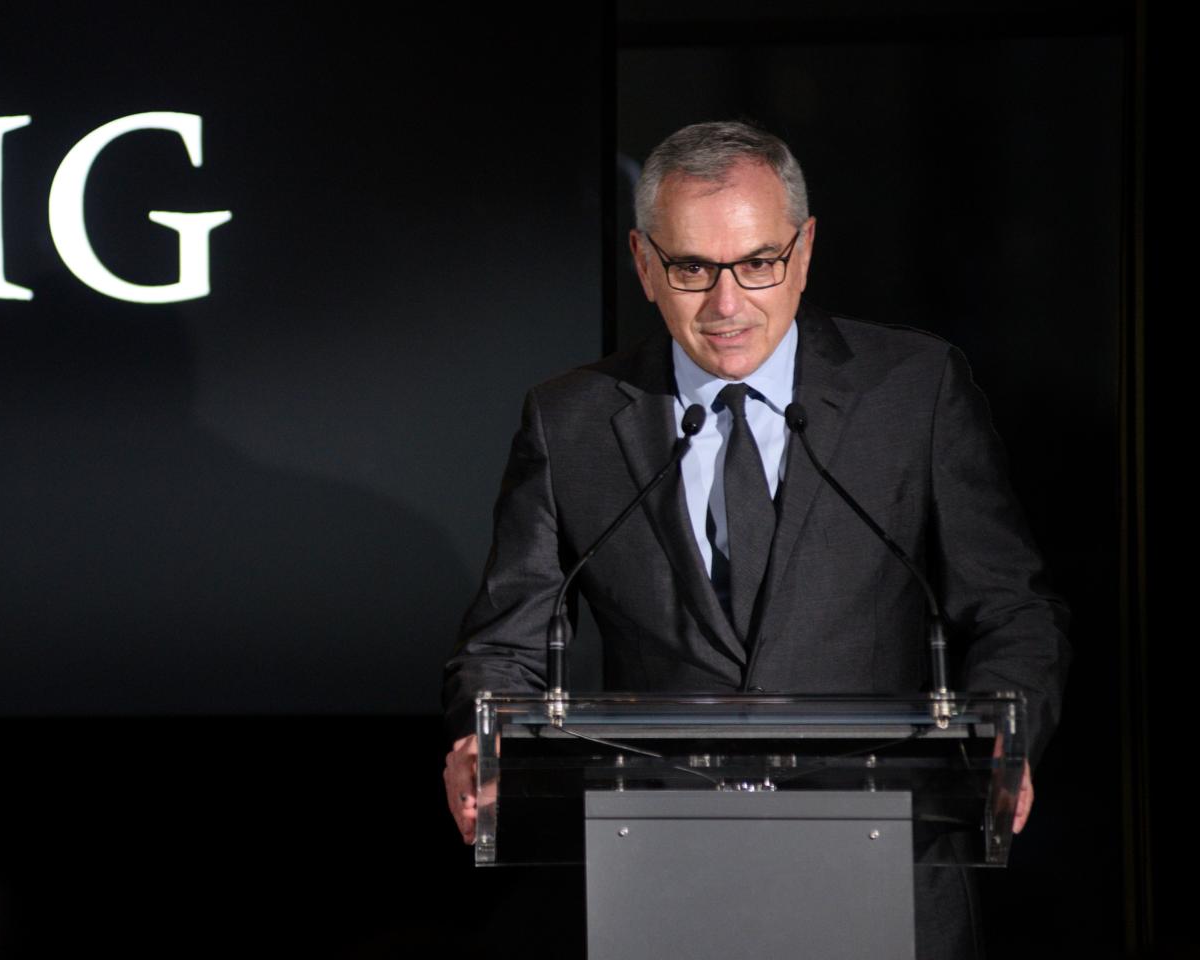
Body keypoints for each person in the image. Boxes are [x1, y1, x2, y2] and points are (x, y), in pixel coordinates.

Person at [440, 121, 1070, 958]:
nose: (727, 304)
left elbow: (1013, 612)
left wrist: (1007, 731)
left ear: (804, 252)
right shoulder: (574, 422)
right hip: (662, 875)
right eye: (693, 268)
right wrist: (475, 740)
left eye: (758, 263)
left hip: (887, 867)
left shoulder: (912, 393)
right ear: (644, 263)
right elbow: (502, 645)